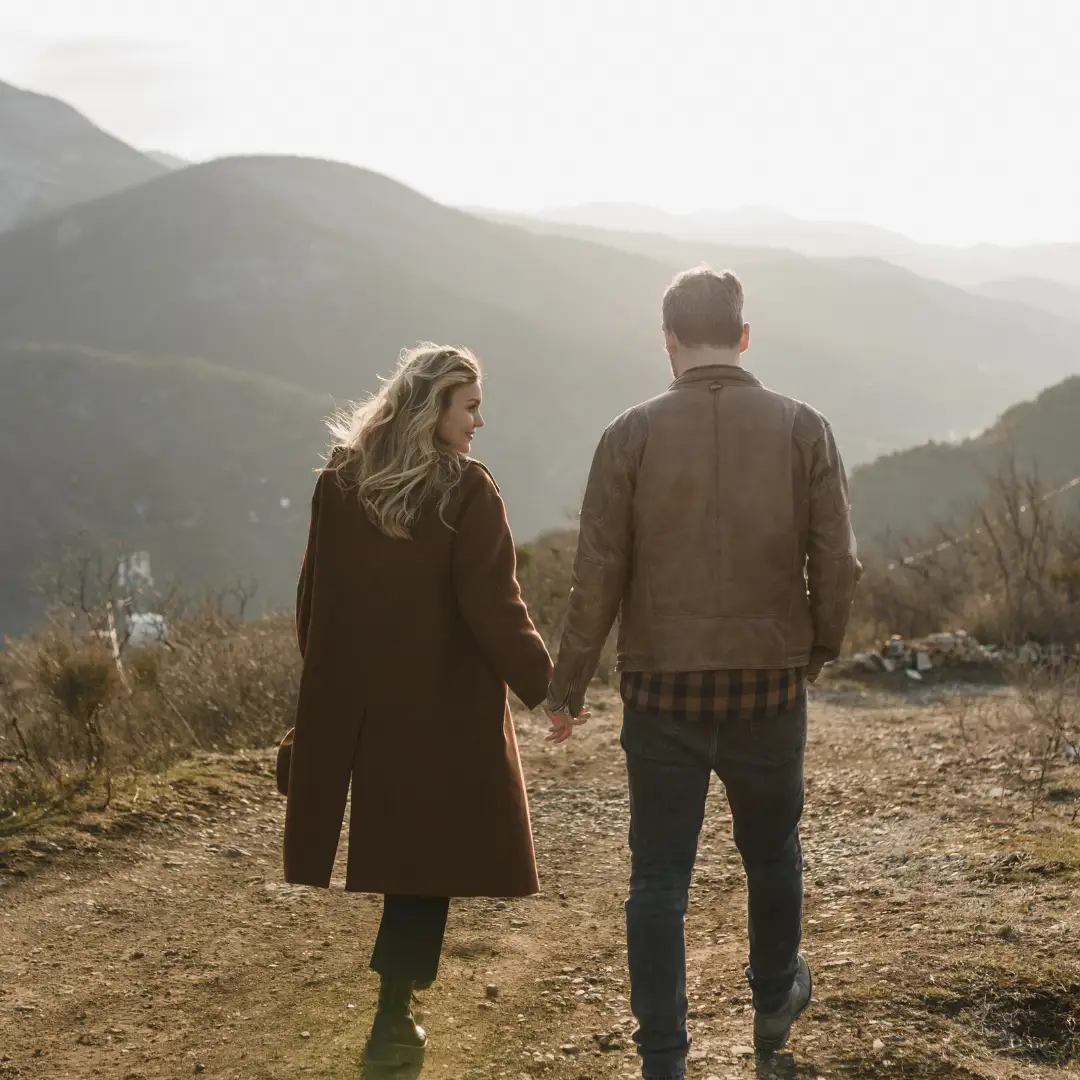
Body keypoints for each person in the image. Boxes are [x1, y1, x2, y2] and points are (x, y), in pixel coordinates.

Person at [544, 268, 862, 1078]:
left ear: (669, 341)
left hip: (660, 689)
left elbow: (598, 574)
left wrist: (568, 685)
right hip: (769, 682)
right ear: (744, 336)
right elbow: (837, 559)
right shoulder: (803, 427)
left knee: (658, 876)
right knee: (772, 851)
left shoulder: (630, 434)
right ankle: (771, 1013)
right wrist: (819, 645)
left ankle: (663, 1059)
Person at [283, 343, 554, 1068]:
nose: (479, 421)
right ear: (433, 407)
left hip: (364, 703)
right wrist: (547, 687)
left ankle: (395, 1017)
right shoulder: (467, 490)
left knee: (409, 861)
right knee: (421, 866)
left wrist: (327, 691)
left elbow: (315, 602)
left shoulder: (339, 482)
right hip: (441, 710)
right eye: (469, 406)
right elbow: (495, 606)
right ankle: (392, 1016)